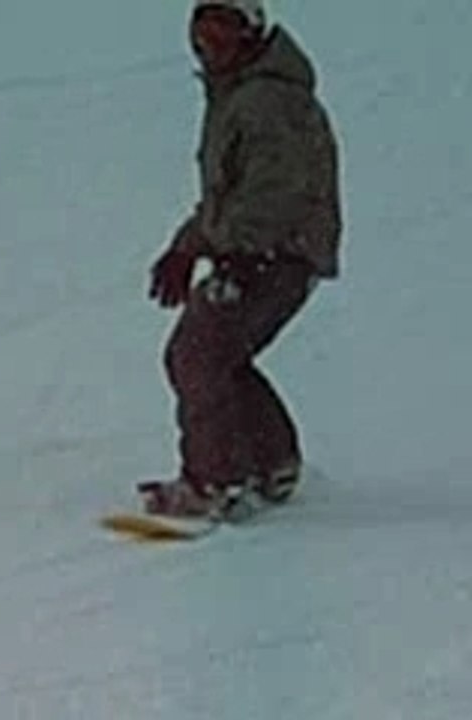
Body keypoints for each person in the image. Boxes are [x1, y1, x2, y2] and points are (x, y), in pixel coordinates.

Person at [141, 0, 343, 518]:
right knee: (216, 353)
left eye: (224, 31)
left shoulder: (266, 100)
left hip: (274, 252)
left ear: (251, 33)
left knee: (198, 353)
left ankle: (215, 482)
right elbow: (226, 199)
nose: (210, 45)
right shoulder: (240, 95)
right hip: (271, 251)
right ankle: (272, 462)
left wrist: (239, 251)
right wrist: (187, 246)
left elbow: (275, 193)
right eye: (202, 31)